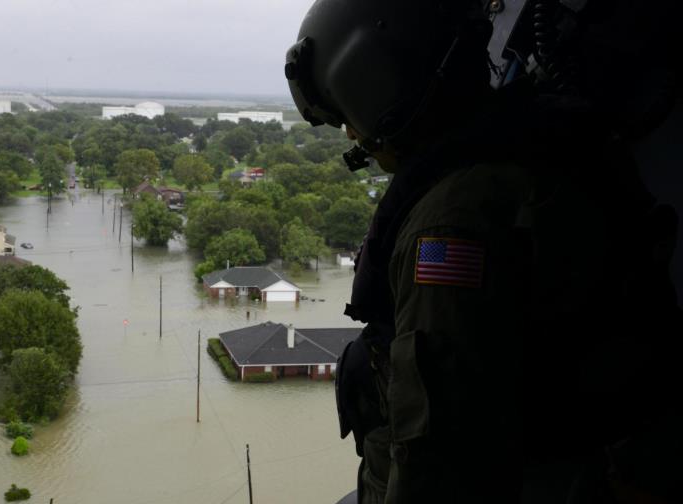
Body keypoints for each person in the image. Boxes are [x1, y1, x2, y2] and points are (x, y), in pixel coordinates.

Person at [285, 0, 682, 503]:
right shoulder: (531, 150)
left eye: (347, 116)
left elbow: (441, 454)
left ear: (376, 85)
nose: (350, 133)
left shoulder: (452, 224)